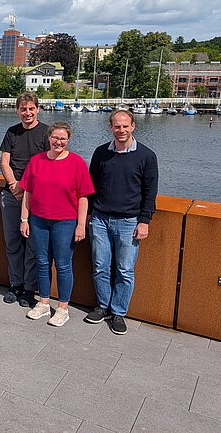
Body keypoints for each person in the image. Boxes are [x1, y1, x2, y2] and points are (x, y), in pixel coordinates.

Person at [85, 109, 159, 335]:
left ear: (133, 126)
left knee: (125, 270)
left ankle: (118, 312)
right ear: (111, 128)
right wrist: (88, 214)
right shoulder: (100, 153)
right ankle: (102, 306)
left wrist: (144, 220)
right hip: (100, 219)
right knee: (100, 266)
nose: (121, 130)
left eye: (125, 126)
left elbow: (150, 191)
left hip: (129, 221)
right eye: (117, 126)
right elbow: (91, 186)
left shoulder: (146, 156)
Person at [19, 122, 94, 327]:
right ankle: (44, 302)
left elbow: (83, 196)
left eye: (63, 139)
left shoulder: (77, 163)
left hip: (65, 222)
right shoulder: (37, 161)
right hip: (39, 220)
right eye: (55, 138)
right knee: (42, 262)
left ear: (68, 140)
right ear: (49, 138)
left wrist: (81, 225)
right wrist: (24, 219)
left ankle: (62, 308)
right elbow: (28, 192)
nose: (58, 142)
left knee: (62, 264)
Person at [0, 92, 50, 307]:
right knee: (13, 243)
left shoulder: (46, 133)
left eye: (31, 108)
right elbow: (4, 162)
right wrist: (14, 185)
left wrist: (25, 187)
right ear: (17, 111)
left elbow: (50, 164)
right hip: (12, 194)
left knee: (32, 245)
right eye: (23, 109)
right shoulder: (12, 132)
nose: (27, 113)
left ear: (37, 109)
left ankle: (29, 288)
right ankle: (15, 284)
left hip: (37, 196)